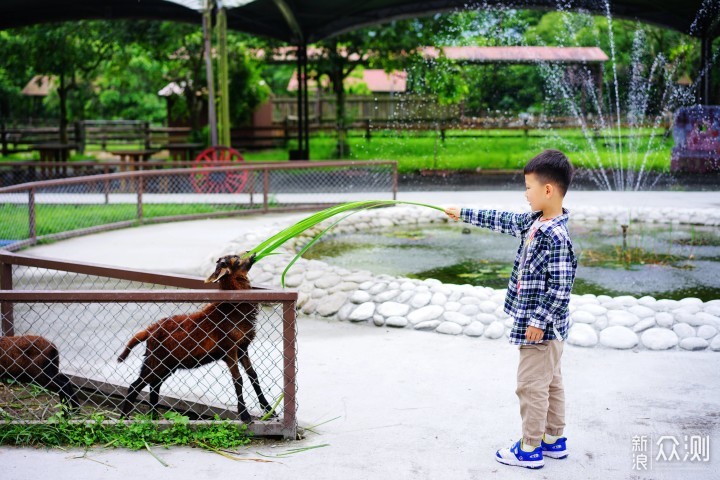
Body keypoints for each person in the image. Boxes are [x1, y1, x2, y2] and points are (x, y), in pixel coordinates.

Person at [445, 149, 577, 470]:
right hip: (549, 330)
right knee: (552, 382)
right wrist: (463, 212)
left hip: (541, 330)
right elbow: (502, 220)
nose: (525, 194)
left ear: (548, 190)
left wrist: (538, 321)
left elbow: (561, 288)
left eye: (528, 187)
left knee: (530, 385)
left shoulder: (556, 236)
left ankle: (529, 447)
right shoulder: (535, 222)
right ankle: (553, 439)